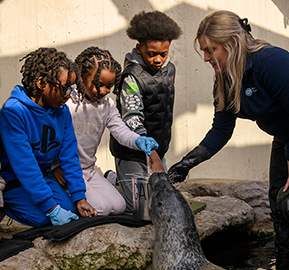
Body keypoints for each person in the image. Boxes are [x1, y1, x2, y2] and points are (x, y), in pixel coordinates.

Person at [168, 10, 289, 270]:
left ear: (231, 43)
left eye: (211, 50)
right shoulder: (225, 79)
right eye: (204, 51)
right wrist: (188, 162)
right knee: (280, 202)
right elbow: (221, 130)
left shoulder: (270, 61)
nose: (206, 58)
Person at [51, 46, 161, 216]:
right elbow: (52, 138)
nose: (103, 91)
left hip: (89, 169)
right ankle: (62, 196)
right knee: (102, 208)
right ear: (81, 77)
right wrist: (55, 166)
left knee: (119, 206)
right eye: (98, 85)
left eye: (109, 86)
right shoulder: (68, 103)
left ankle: (102, 181)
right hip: (68, 171)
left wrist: (138, 140)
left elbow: (121, 131)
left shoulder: (106, 105)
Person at [0, 48, 97, 228]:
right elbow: (25, 165)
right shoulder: (13, 111)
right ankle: (6, 212)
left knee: (71, 209)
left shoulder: (62, 112)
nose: (68, 95)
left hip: (42, 178)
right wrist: (50, 208)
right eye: (64, 88)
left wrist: (79, 197)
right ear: (41, 83)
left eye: (71, 88)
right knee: (42, 218)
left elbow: (69, 156)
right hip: (13, 181)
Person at [110, 10, 182, 213]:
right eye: (152, 54)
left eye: (163, 54)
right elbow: (132, 118)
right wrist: (153, 157)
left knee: (160, 202)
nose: (158, 59)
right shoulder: (131, 77)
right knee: (140, 209)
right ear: (139, 48)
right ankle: (112, 179)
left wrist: (158, 154)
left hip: (158, 148)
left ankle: (124, 181)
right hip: (132, 151)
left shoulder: (170, 70)